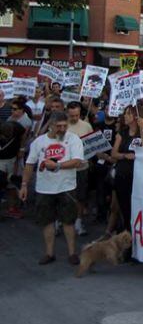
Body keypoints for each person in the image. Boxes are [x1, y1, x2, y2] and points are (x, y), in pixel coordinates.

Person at [20, 111, 84, 265]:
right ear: (51, 126)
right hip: (44, 188)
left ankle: (72, 253)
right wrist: (24, 185)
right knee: (47, 221)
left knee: (68, 221)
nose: (62, 129)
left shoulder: (73, 139)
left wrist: (58, 165)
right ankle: (49, 253)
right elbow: (30, 164)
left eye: (64, 126)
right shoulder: (39, 142)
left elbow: (77, 161)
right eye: (58, 126)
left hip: (66, 187)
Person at [110, 107, 143, 235]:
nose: (125, 116)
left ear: (136, 116)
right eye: (125, 113)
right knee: (125, 207)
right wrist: (125, 156)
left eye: (128, 114)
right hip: (122, 174)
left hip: (137, 177)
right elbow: (114, 153)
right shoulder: (122, 133)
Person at [66, 101, 93, 236]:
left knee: (81, 196)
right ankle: (62, 220)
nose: (74, 118)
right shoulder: (62, 126)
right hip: (66, 169)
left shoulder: (87, 126)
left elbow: (91, 146)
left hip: (82, 167)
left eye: (77, 115)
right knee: (65, 196)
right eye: (71, 116)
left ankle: (78, 221)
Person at [0, 120, 26, 219]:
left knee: (12, 184)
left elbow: (24, 135)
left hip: (12, 159)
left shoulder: (17, 127)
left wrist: (22, 149)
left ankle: (12, 208)